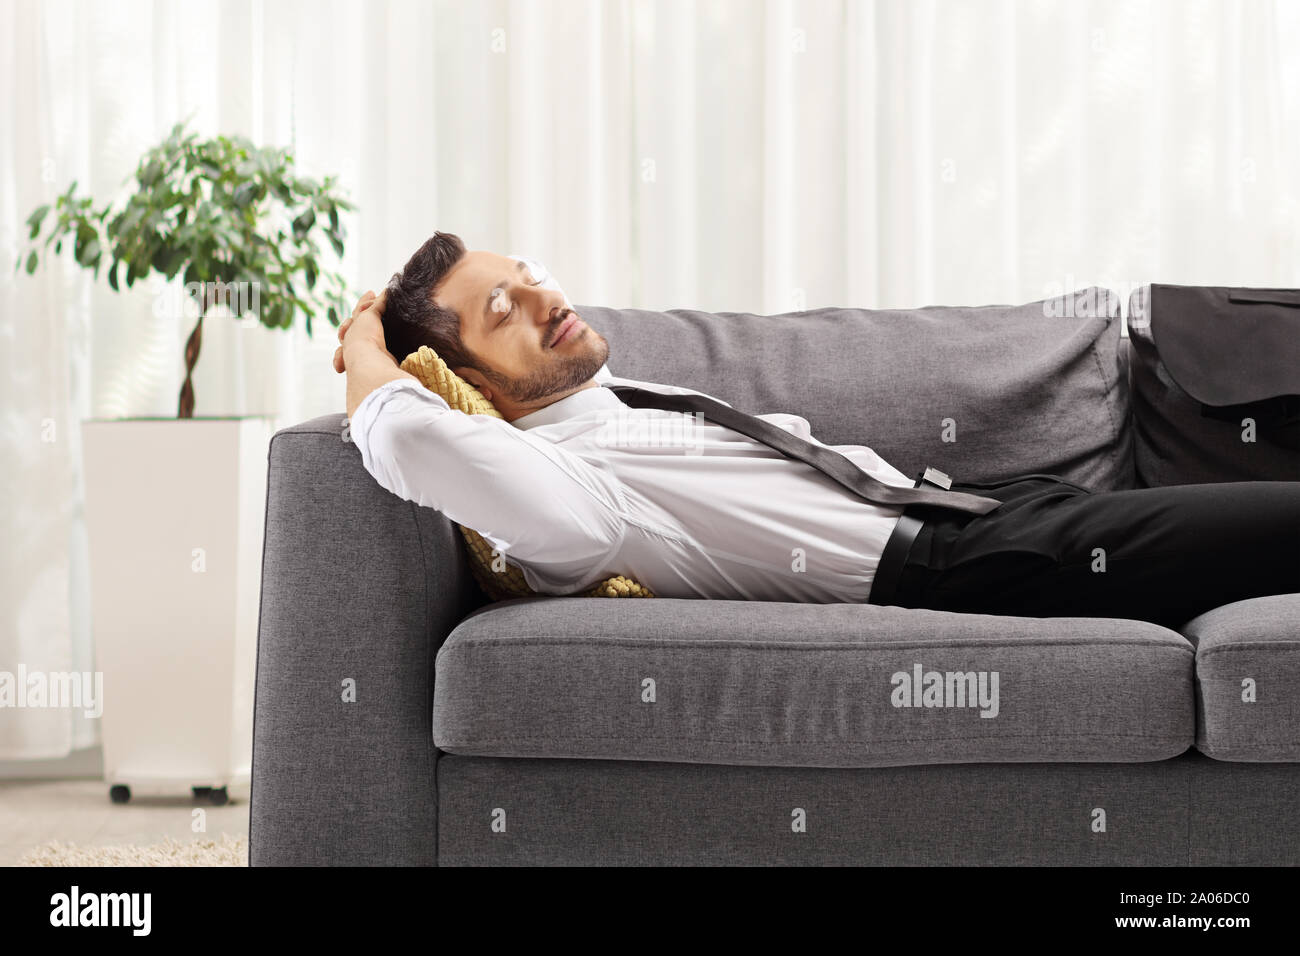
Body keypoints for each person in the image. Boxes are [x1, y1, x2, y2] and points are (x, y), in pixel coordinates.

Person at [333, 231, 1300, 628]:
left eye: (530, 274)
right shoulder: (567, 499)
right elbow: (410, 438)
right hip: (957, 567)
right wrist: (368, 342)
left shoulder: (613, 404)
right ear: (464, 383)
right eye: (502, 311)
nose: (545, 299)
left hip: (986, 510)